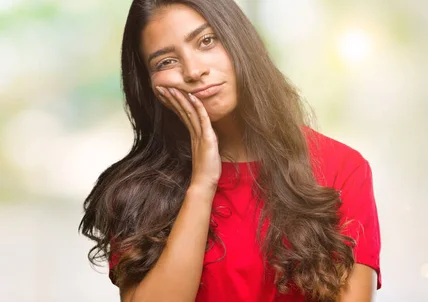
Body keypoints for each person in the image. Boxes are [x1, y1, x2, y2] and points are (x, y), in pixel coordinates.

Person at [79, 0, 381, 301]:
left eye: (206, 41)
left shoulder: (341, 167)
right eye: (166, 62)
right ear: (147, 84)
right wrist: (202, 184)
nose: (194, 71)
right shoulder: (136, 193)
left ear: (238, 41)